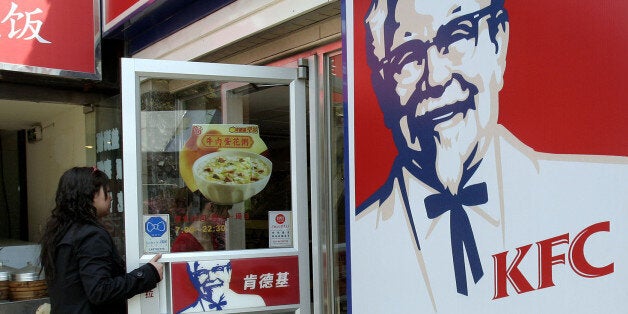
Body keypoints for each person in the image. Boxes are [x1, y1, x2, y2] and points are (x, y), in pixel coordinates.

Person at [351, 0, 628, 312]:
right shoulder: (364, 239)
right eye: (406, 58)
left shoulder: (610, 194)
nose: (436, 78)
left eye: (455, 36)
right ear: (381, 89)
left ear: (498, 46)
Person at [39, 167, 164, 313]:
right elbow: (101, 291)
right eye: (107, 191)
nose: (111, 197)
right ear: (90, 194)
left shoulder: (60, 232)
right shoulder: (91, 235)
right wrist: (148, 274)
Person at [178, 260, 265, 313]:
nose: (212, 278)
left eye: (218, 269)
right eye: (202, 272)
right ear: (193, 279)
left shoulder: (254, 302)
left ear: (229, 273)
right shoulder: (188, 312)